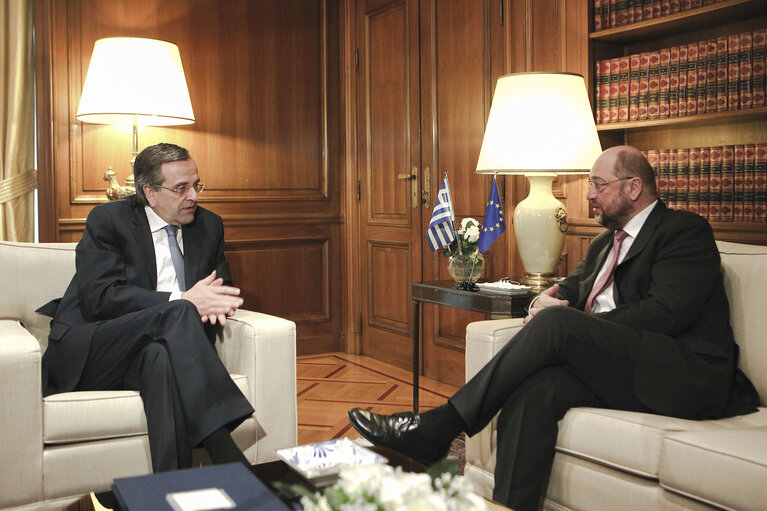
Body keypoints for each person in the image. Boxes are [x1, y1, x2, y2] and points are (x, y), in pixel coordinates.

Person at [347, 145, 759, 511]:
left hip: (682, 372)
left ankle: (437, 427)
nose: (589, 194)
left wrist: (582, 328)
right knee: (535, 392)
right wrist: (547, 296)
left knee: (562, 324)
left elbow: (666, 314)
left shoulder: (684, 232)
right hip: (622, 368)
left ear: (633, 188)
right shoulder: (604, 243)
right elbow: (575, 285)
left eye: (598, 184)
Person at [39, 143, 254, 473]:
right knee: (179, 309)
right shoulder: (109, 220)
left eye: (197, 185)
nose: (193, 196)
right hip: (96, 347)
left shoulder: (208, 226)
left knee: (160, 359)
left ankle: (171, 486)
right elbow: (99, 300)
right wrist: (180, 301)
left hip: (153, 351)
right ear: (150, 192)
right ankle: (224, 449)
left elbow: (217, 296)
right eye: (181, 188)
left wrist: (205, 306)